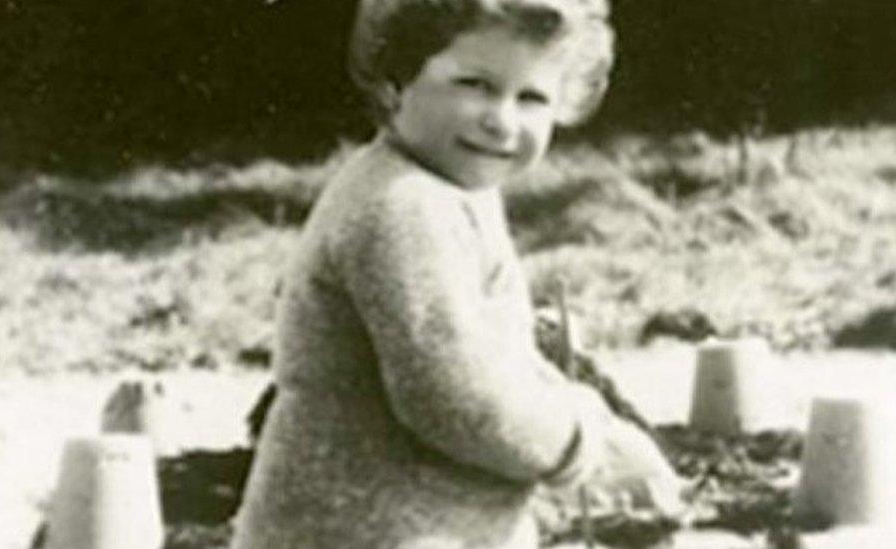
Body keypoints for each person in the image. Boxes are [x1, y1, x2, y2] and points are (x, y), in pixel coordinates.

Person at [231, 1, 686, 547]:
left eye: (532, 97)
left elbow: (490, 351)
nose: (501, 119)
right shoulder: (400, 207)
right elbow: (451, 398)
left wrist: (581, 410)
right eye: (474, 84)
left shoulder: (451, 189)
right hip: (361, 529)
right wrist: (579, 446)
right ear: (395, 81)